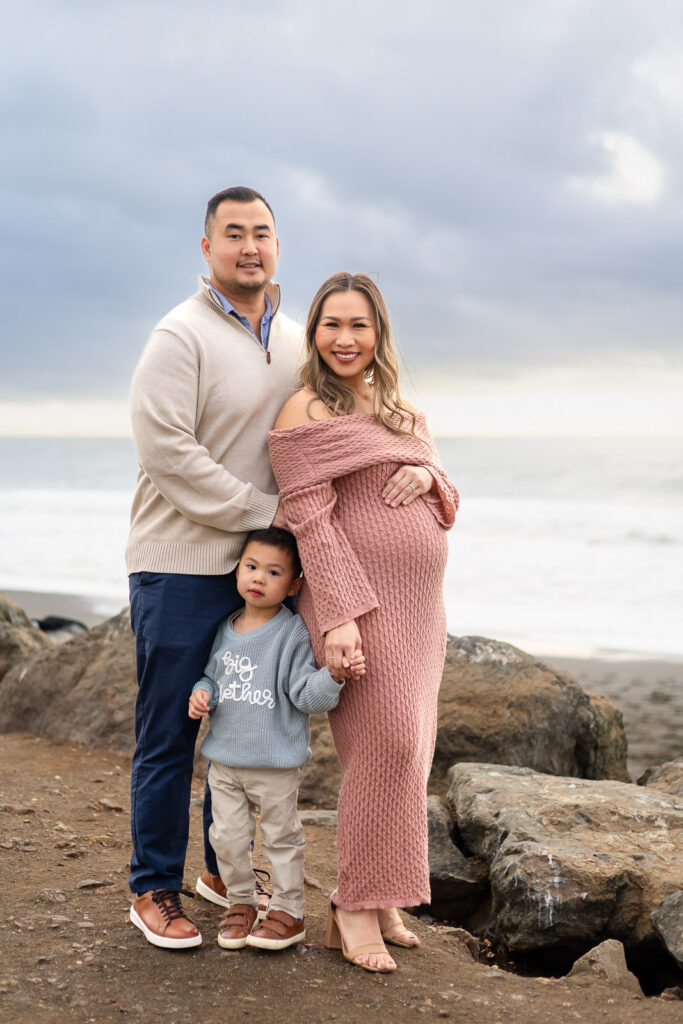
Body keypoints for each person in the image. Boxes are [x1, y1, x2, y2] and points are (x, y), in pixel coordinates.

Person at [125, 186, 303, 949]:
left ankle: (218, 870)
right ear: (207, 248)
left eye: (262, 233)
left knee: (235, 729)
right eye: (233, 234)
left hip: (258, 577)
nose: (249, 247)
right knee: (170, 734)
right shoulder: (179, 335)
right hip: (180, 565)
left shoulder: (295, 339)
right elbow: (166, 451)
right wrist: (261, 513)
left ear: (276, 244)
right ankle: (153, 887)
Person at [268, 272, 458, 973]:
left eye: (358, 325)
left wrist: (431, 480)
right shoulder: (304, 411)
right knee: (382, 748)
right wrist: (341, 615)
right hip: (355, 604)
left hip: (419, 609)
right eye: (331, 325)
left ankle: (384, 896)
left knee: (412, 751)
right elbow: (310, 522)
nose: (345, 339)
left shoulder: (402, 410)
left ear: (378, 332)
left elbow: (449, 495)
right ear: (314, 334)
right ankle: (351, 906)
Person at [186, 527, 364, 951]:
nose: (258, 578)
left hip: (276, 764)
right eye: (251, 567)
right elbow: (212, 673)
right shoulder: (225, 627)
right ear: (237, 570)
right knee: (225, 837)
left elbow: (305, 695)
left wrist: (334, 676)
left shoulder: (292, 633)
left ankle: (288, 910)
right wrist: (202, 690)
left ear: (294, 584)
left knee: (282, 838)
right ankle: (242, 901)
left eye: (273, 571)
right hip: (225, 761)